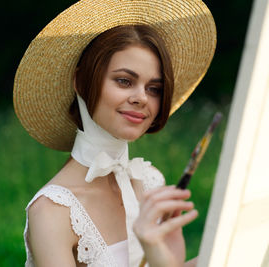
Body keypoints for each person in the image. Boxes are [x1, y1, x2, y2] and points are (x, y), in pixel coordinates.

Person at [13, 1, 216, 266]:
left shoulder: (151, 181)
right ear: (81, 81)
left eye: (154, 88)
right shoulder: (52, 211)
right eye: (124, 81)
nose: (142, 98)